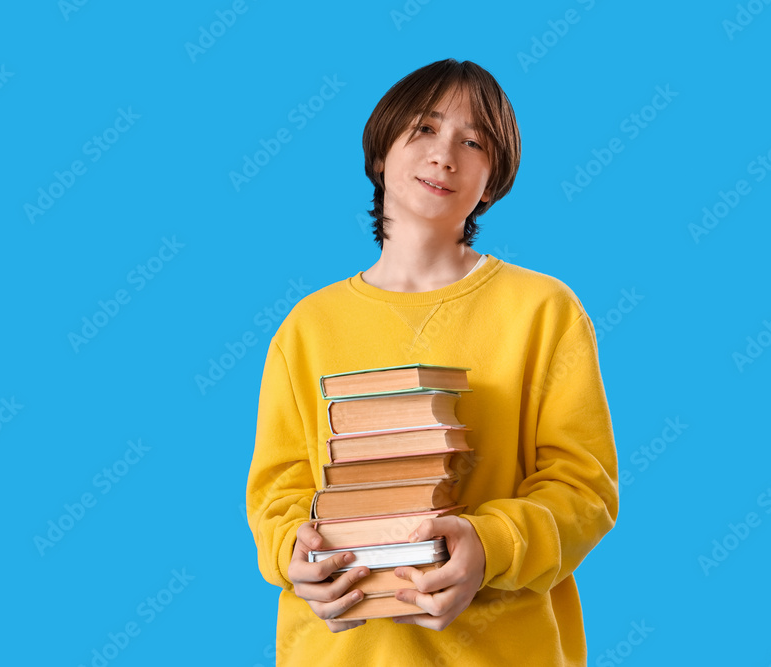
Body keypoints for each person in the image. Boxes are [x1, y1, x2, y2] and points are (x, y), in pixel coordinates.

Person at [246, 58, 619, 666]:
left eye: (474, 142)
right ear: (379, 152)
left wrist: (489, 543)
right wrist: (293, 548)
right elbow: (278, 491)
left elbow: (584, 488)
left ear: (493, 180)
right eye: (424, 129)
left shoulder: (544, 311)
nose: (445, 155)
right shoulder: (306, 327)